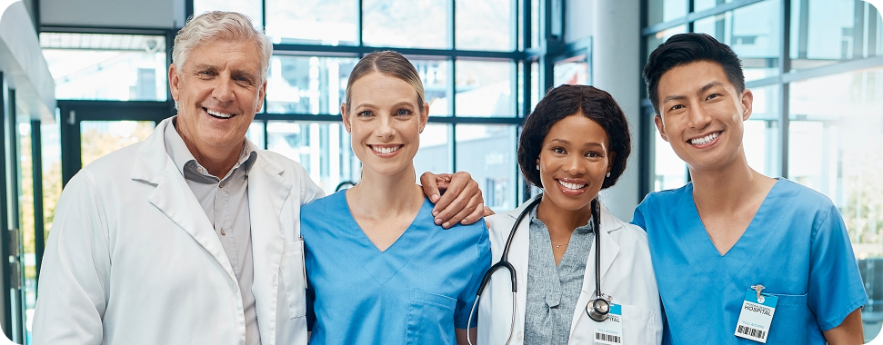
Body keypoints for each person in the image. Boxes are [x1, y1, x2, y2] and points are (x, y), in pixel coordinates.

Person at [32, 12, 484, 345]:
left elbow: (372, 214)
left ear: (261, 94)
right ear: (175, 82)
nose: (224, 92)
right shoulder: (98, 193)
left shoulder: (292, 186)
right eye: (207, 73)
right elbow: (61, 335)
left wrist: (448, 187)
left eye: (242, 78)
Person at [635, 33, 867, 344]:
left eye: (712, 96)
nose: (699, 119)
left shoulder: (811, 218)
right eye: (677, 106)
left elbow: (848, 340)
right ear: (662, 128)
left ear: (744, 104)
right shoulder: (653, 220)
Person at [300, 51, 492, 345]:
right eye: (366, 113)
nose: (386, 130)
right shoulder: (309, 227)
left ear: (423, 117)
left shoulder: (464, 231)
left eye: (402, 112)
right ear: (346, 118)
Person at [476, 84, 662, 344]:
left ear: (610, 162)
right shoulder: (488, 238)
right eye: (559, 150)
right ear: (538, 153)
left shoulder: (641, 250)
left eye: (592, 154)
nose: (575, 168)